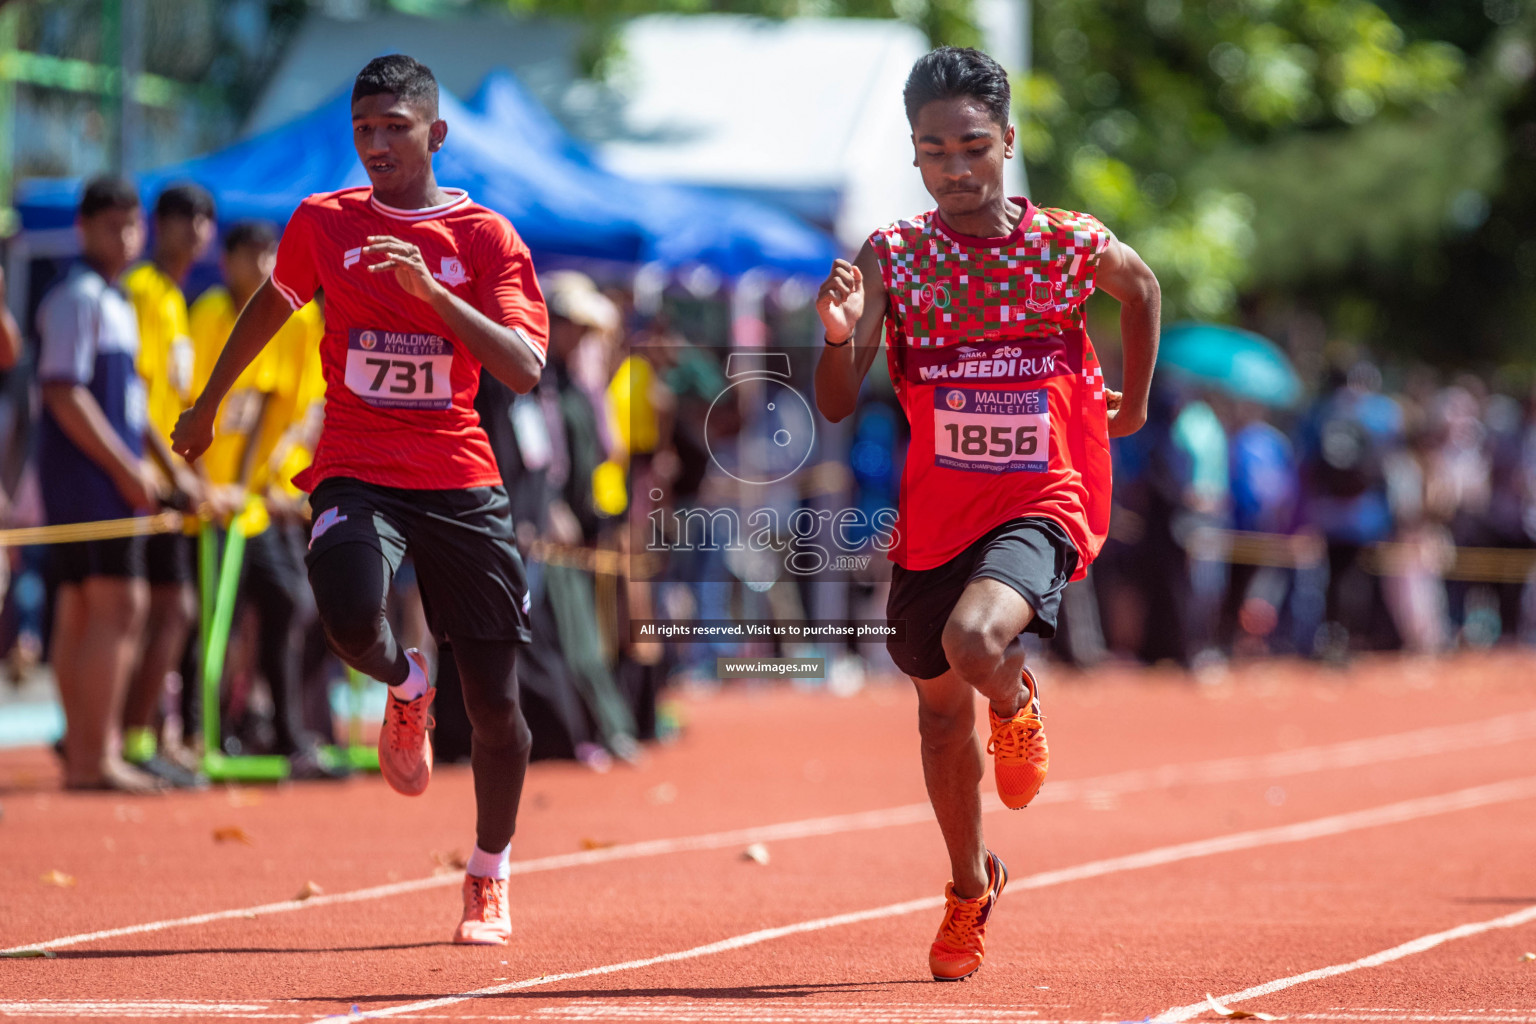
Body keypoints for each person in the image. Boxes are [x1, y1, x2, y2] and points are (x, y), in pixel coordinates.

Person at [173, 54, 547, 945]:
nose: (376, 146)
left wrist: (430, 294)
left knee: (496, 706)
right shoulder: (323, 222)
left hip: (458, 475)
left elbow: (524, 369)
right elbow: (274, 304)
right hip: (356, 462)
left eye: (395, 129)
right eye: (363, 131)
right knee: (346, 616)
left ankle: (489, 872)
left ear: (437, 134)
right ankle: (407, 681)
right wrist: (209, 401)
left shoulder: (486, 239)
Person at [813, 47, 1159, 981]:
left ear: (1007, 141)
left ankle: (1014, 698)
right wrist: (841, 337)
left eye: (973, 147)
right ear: (915, 157)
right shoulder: (896, 254)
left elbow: (1143, 288)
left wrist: (1130, 404)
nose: (956, 168)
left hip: (1042, 496)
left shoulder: (1068, 244)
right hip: (936, 515)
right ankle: (970, 886)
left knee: (976, 644)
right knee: (934, 721)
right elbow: (838, 403)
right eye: (934, 152)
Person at [36, 176, 170, 792]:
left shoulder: (116, 301)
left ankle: (88, 753)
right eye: (113, 224)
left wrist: (164, 470)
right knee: (117, 605)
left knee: (81, 609)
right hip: (88, 483)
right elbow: (62, 392)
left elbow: (131, 406)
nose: (127, 236)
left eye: (132, 223)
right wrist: (124, 469)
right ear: (84, 228)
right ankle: (96, 754)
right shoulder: (78, 297)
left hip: (99, 479)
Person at [187, 220, 333, 776]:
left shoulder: (296, 319)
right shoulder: (206, 318)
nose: (267, 263)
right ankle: (209, 732)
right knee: (209, 620)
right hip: (209, 502)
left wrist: (268, 482)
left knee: (287, 601)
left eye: (272, 252)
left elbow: (287, 409)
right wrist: (205, 486)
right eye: (254, 253)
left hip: (256, 502)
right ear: (227, 261)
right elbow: (190, 403)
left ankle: (286, 732)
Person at [121, 183, 217, 787]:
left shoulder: (177, 300)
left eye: (206, 219)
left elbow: (181, 402)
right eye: (186, 219)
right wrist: (173, 471)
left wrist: (197, 474)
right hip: (141, 481)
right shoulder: (143, 293)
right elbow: (132, 397)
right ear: (160, 225)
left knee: (171, 610)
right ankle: (129, 735)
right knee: (156, 610)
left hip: (173, 483)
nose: (198, 230)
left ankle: (149, 733)